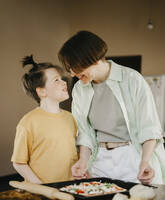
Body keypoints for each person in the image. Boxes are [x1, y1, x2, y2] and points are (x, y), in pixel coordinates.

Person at [58, 30, 165, 184]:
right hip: (99, 160)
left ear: (92, 58)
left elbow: (149, 128)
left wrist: (145, 161)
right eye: (70, 69)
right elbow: (84, 132)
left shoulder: (132, 79)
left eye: (74, 67)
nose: (73, 74)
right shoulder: (79, 89)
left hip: (132, 157)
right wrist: (83, 160)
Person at [11, 55, 78, 184]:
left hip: (70, 187)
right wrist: (41, 186)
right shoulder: (28, 122)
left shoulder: (71, 118)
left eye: (62, 79)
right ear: (42, 92)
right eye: (56, 80)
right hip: (42, 192)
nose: (64, 82)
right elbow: (19, 163)